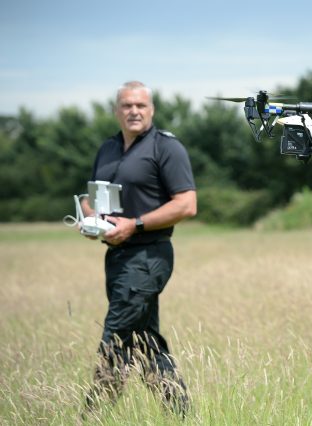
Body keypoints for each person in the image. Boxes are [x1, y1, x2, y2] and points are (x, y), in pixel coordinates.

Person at [80, 81, 197, 417]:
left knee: (115, 341)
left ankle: (88, 418)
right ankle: (181, 416)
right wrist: (91, 218)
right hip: (115, 257)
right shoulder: (108, 149)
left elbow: (187, 205)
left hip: (148, 256)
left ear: (152, 110)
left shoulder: (167, 148)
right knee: (146, 344)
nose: (134, 111)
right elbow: (93, 197)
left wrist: (135, 224)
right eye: (127, 105)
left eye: (141, 106)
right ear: (116, 110)